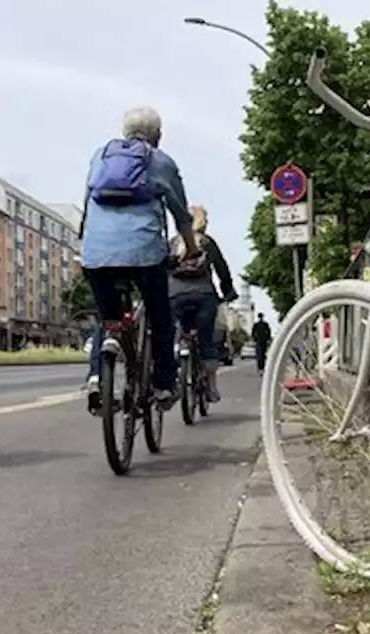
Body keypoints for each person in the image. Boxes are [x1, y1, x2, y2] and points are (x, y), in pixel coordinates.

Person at [81, 106, 198, 413]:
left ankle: (96, 376)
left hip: (97, 252)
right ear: (157, 135)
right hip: (144, 253)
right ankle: (162, 386)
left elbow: (86, 202)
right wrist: (191, 248)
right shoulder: (161, 161)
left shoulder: (100, 156)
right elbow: (181, 214)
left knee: (108, 319)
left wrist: (88, 242)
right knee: (161, 318)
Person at [169, 205, 237, 402]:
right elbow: (222, 269)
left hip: (175, 296)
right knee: (207, 339)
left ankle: (172, 377)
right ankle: (212, 388)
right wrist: (228, 291)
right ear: (203, 222)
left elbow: (163, 267)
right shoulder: (207, 242)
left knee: (174, 334)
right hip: (203, 296)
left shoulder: (173, 243)